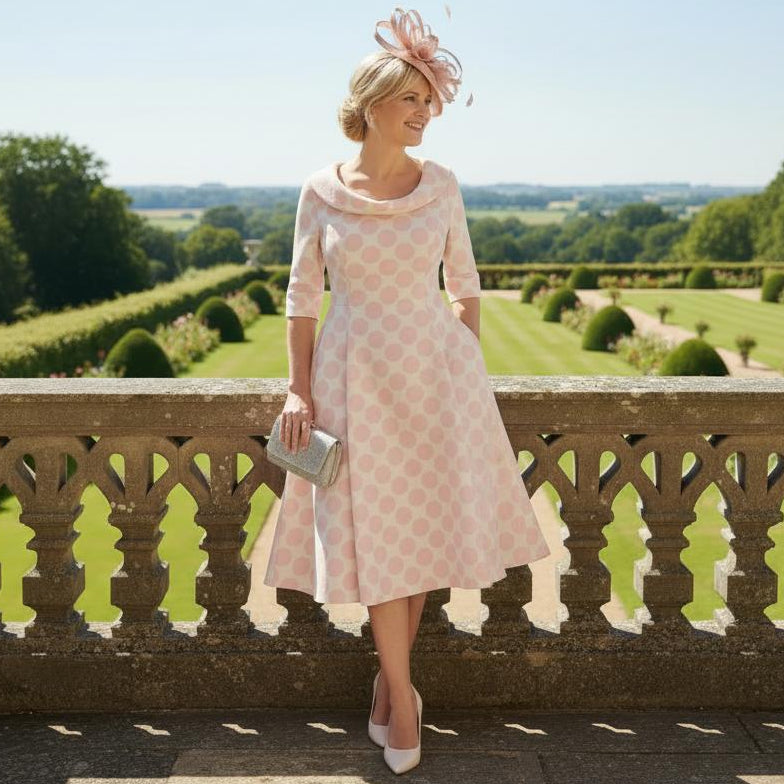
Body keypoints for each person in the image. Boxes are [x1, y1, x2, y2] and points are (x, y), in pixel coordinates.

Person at [263, 7, 551, 775]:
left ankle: (393, 693)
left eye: (431, 102)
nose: (427, 115)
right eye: (414, 101)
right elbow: (301, 298)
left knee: (418, 542)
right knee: (383, 543)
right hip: (353, 381)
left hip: (436, 379)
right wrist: (297, 392)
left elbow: (465, 285)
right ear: (372, 105)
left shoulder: (443, 185)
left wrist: (461, 360)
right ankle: (403, 696)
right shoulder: (320, 193)